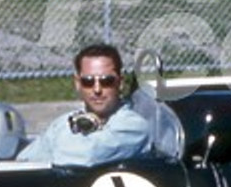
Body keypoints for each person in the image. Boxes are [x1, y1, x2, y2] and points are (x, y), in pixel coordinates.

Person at [16, 43, 151, 166]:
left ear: (120, 83)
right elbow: (24, 161)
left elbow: (88, 155)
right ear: (77, 83)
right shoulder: (61, 125)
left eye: (107, 81)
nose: (97, 89)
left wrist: (53, 148)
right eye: (88, 81)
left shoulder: (134, 126)